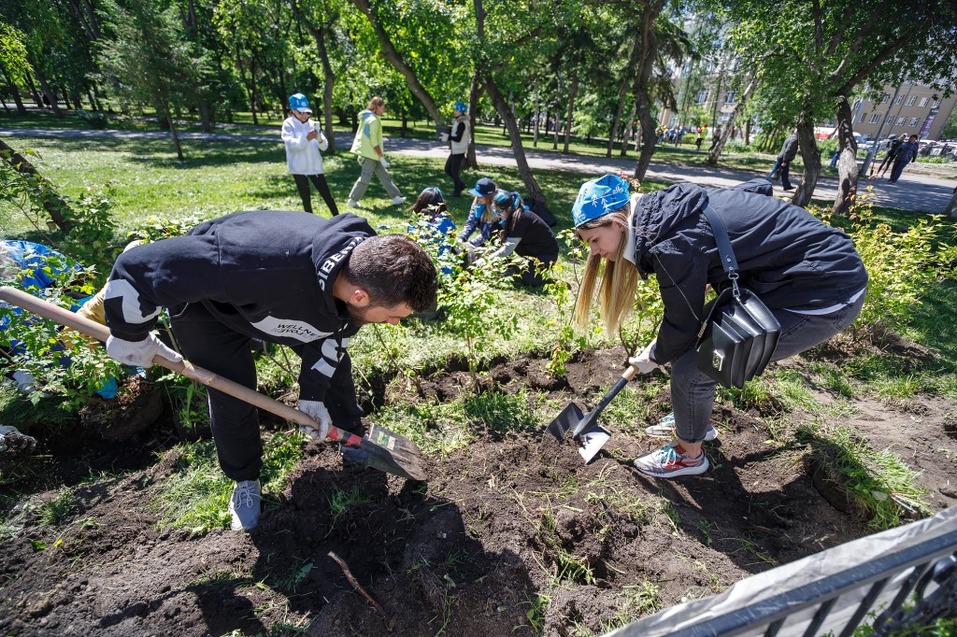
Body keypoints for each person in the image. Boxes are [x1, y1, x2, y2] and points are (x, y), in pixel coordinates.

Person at [100, 211, 437, 531]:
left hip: (287, 310)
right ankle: (245, 479)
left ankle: (352, 438)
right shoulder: (251, 259)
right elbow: (135, 267)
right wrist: (131, 335)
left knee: (334, 373)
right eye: (395, 315)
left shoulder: (367, 270)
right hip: (210, 312)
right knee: (231, 395)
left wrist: (312, 395)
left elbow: (335, 334)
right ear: (360, 296)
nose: (395, 323)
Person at [570, 174, 867, 479]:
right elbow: (757, 188)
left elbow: (683, 324)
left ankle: (689, 456)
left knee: (693, 371)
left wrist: (656, 354)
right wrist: (663, 346)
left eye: (594, 240)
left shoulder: (671, 243)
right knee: (690, 346)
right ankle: (693, 419)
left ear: (618, 223)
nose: (593, 251)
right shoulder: (666, 213)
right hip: (786, 280)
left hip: (824, 290)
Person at [483, 191, 559, 288]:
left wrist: (488, 260)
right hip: (531, 252)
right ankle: (513, 266)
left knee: (530, 281)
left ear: (509, 209)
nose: (498, 215)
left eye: (499, 212)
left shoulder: (519, 219)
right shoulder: (512, 216)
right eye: (495, 211)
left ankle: (520, 268)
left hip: (546, 255)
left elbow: (508, 249)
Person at [281, 93, 339, 216]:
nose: (304, 116)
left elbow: (324, 147)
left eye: (306, 113)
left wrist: (319, 138)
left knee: (327, 194)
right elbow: (292, 146)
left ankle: (337, 217)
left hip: (315, 166)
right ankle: (310, 221)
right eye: (300, 112)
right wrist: (306, 138)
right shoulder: (288, 124)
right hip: (298, 168)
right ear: (292, 110)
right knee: (306, 198)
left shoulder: (313, 124)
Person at [347, 96, 406, 208]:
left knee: (384, 176)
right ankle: (352, 200)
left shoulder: (366, 118)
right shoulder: (373, 120)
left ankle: (395, 197)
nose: (384, 110)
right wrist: (381, 157)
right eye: (382, 107)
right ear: (377, 107)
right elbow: (374, 142)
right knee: (365, 178)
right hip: (370, 154)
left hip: (370, 154)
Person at [457, 177, 503, 247]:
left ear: (489, 197)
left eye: (480, 196)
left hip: (500, 235)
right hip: (486, 233)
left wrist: (471, 244)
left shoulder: (497, 206)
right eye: (476, 195)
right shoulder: (477, 201)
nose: (478, 198)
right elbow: (471, 222)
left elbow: (486, 233)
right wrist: (462, 238)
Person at [442, 101, 470, 197]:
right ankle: (461, 185)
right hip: (456, 150)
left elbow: (458, 138)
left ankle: (457, 191)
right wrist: (449, 133)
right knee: (448, 169)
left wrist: (448, 137)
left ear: (461, 111)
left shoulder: (462, 122)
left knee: (453, 170)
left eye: (456, 109)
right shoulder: (459, 121)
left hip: (459, 150)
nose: (454, 111)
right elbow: (455, 134)